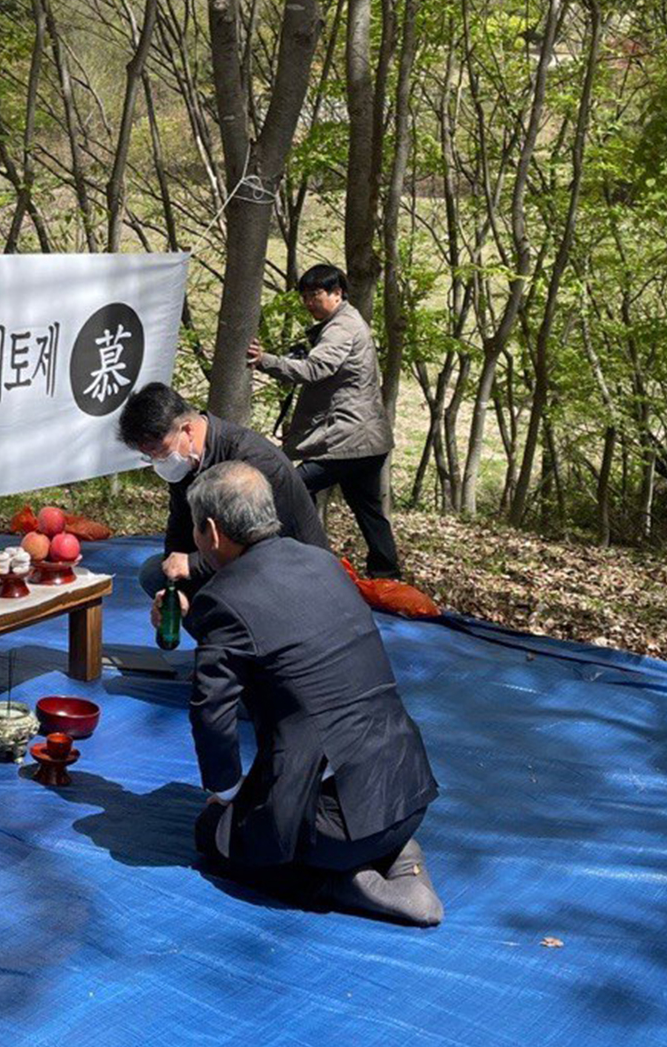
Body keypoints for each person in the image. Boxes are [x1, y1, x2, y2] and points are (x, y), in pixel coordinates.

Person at [174, 461, 443, 926]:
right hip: (409, 789)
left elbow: (210, 709)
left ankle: (344, 885)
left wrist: (225, 792)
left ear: (211, 532)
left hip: (341, 825)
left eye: (195, 530)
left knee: (213, 837)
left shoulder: (222, 598)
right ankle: (397, 849)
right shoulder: (322, 561)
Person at [247, 264, 401, 579]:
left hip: (349, 441)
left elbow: (315, 370)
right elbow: (332, 391)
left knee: (290, 487)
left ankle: (305, 565)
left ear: (337, 293)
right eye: (305, 296)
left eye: (316, 294)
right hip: (366, 440)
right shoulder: (344, 322)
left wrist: (265, 361)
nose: (309, 302)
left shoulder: (342, 327)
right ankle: (387, 574)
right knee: (369, 510)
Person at [116, 382, 329, 600]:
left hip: (287, 567)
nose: (158, 461)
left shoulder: (254, 461)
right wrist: (175, 579)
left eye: (159, 451)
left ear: (187, 430)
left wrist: (193, 564)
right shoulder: (185, 461)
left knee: (225, 595)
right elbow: (179, 523)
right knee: (156, 573)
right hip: (225, 557)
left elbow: (259, 544)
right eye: (149, 457)